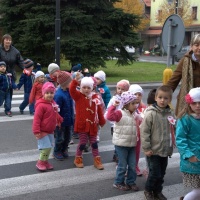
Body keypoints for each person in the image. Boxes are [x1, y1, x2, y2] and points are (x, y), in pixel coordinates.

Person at [140, 85, 175, 200]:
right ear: (155, 98)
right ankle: (148, 190)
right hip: (153, 150)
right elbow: (144, 132)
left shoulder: (170, 113)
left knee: (162, 173)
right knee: (155, 173)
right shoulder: (151, 113)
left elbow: (174, 129)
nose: (162, 100)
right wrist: (146, 148)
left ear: (169, 100)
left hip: (165, 149)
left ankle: (157, 191)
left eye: (166, 98)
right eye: (160, 97)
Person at [69, 74, 106, 170]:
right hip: (82, 124)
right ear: (81, 87)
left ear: (92, 88)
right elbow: (72, 90)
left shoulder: (95, 98)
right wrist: (75, 81)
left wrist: (102, 121)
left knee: (94, 143)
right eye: (84, 87)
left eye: (88, 88)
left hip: (93, 125)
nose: (86, 90)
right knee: (83, 142)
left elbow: (99, 110)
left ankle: (97, 160)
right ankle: (78, 159)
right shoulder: (78, 96)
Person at [106, 91, 140, 191]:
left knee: (133, 164)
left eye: (136, 103)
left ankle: (131, 182)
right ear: (126, 104)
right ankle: (118, 182)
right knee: (122, 165)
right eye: (133, 103)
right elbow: (109, 117)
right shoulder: (120, 113)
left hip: (132, 144)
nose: (135, 105)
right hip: (121, 144)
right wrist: (113, 106)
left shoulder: (135, 114)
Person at [167, 34, 200, 117]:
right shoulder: (185, 61)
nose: (199, 48)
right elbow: (174, 80)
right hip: (188, 103)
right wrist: (163, 96)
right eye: (196, 45)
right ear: (191, 47)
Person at [32, 82, 63, 171]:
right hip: (42, 131)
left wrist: (60, 119)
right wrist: (36, 131)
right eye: (47, 93)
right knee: (45, 147)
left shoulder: (53, 103)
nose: (49, 95)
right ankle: (40, 162)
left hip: (50, 130)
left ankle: (45, 161)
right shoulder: (41, 105)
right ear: (43, 93)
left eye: (51, 93)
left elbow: (55, 113)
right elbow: (36, 119)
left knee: (49, 147)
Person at [176, 87, 200, 200]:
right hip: (193, 161)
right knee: (198, 190)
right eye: (194, 103)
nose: (198, 106)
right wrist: (189, 155)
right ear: (189, 103)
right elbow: (180, 139)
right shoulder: (185, 119)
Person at [105, 79, 130, 163]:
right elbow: (109, 110)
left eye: (123, 89)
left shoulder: (128, 100)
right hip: (115, 124)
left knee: (122, 140)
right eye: (118, 88)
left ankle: (117, 154)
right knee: (116, 140)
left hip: (124, 124)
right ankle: (117, 155)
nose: (120, 91)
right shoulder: (114, 99)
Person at [53, 71, 74, 160]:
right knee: (60, 138)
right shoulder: (58, 95)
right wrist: (58, 121)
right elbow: (56, 110)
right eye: (70, 82)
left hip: (69, 120)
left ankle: (64, 149)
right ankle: (57, 151)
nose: (72, 83)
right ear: (65, 83)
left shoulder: (69, 91)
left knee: (67, 137)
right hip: (61, 122)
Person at [129, 84, 147, 176]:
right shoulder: (127, 107)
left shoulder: (143, 107)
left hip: (139, 134)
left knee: (136, 152)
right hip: (129, 134)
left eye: (139, 94)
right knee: (127, 152)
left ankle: (135, 166)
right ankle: (126, 167)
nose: (137, 96)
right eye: (135, 94)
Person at [0, 34, 24, 100]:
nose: (8, 41)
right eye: (6, 40)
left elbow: (20, 62)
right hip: (1, 73)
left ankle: (8, 107)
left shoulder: (15, 51)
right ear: (3, 41)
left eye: (9, 40)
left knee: (9, 92)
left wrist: (25, 69)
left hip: (10, 74)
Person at [94, 70, 111, 142]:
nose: (96, 80)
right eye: (95, 79)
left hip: (101, 108)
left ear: (102, 80)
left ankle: (97, 134)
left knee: (98, 122)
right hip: (93, 107)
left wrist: (107, 107)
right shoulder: (93, 86)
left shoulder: (105, 89)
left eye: (98, 79)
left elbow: (107, 99)